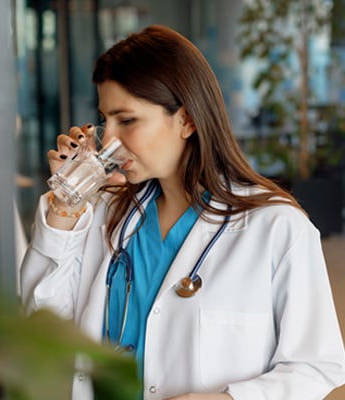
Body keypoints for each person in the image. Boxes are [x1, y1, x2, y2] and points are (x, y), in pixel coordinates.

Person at [20, 24, 345, 400]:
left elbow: (318, 365)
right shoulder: (106, 213)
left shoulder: (276, 227)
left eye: (127, 120)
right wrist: (66, 204)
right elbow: (43, 328)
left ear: (187, 120)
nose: (108, 140)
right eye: (104, 120)